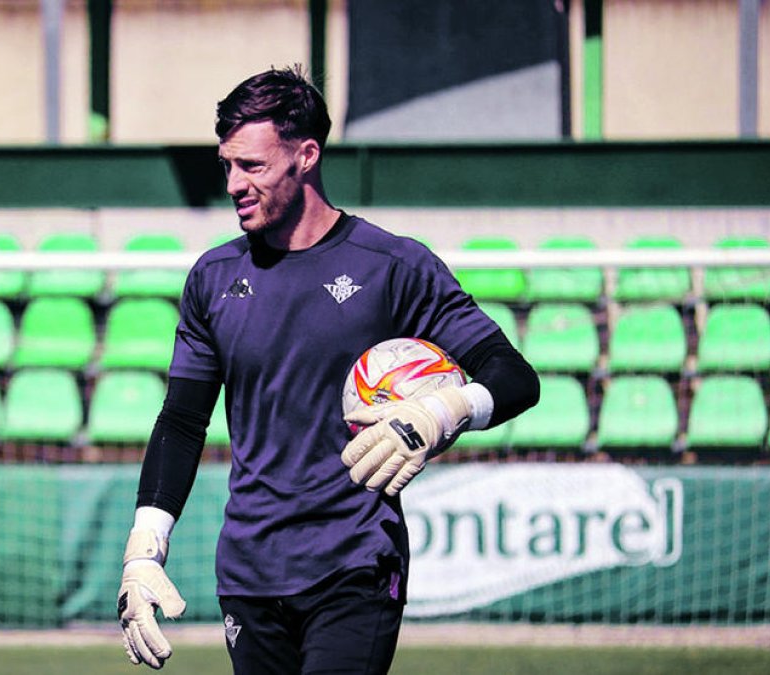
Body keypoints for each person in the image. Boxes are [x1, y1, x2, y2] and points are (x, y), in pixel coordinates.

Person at [116, 65, 540, 674]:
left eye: (252, 166)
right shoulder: (212, 279)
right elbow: (183, 421)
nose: (233, 183)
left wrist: (442, 410)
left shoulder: (394, 266)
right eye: (227, 165)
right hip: (248, 570)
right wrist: (144, 548)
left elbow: (513, 376)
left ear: (306, 155)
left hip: (355, 564)